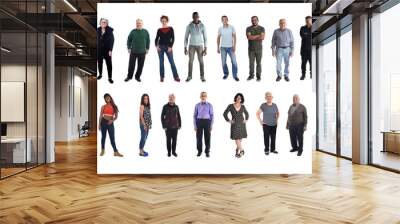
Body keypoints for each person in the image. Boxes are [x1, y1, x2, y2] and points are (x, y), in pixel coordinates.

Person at [223, 93, 249, 158]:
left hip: (242, 124)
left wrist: (246, 119)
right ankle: (242, 150)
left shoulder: (243, 106)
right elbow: (225, 113)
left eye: (240, 98)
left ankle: (237, 150)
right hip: (234, 124)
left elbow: (247, 114)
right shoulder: (230, 106)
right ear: (235, 98)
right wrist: (229, 120)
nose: (238, 99)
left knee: (240, 138)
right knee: (236, 138)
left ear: (241, 99)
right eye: (237, 97)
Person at [155, 15, 180, 82]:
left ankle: (176, 76)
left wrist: (170, 47)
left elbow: (173, 38)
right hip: (160, 47)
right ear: (161, 21)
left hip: (168, 47)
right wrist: (156, 46)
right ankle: (162, 77)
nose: (164, 22)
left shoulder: (171, 28)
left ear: (167, 21)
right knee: (161, 62)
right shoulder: (159, 30)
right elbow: (156, 39)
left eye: (165, 21)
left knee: (172, 62)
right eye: (162, 21)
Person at [184, 12, 207, 82]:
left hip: (200, 46)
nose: (195, 18)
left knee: (201, 61)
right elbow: (186, 37)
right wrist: (185, 47)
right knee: (190, 61)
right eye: (194, 16)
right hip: (191, 46)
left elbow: (205, 37)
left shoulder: (202, 26)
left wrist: (205, 48)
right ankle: (189, 76)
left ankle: (202, 76)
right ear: (192, 17)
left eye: (197, 16)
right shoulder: (189, 26)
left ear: (198, 17)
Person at [217, 15, 238, 81]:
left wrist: (234, 46)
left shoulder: (232, 27)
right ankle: (226, 74)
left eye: (226, 19)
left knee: (234, 62)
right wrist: (217, 47)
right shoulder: (220, 28)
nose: (225, 21)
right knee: (223, 62)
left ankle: (235, 75)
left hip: (231, 47)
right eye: (223, 19)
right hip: (223, 47)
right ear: (222, 21)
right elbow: (218, 38)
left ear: (227, 20)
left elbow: (234, 37)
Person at [193, 92, 214, 157]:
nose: (203, 97)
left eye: (204, 96)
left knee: (207, 137)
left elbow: (212, 115)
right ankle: (199, 151)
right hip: (199, 121)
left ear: (206, 97)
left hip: (207, 122)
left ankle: (207, 151)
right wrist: (195, 125)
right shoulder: (197, 105)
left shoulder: (209, 105)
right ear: (200, 97)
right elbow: (194, 115)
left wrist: (211, 125)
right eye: (202, 96)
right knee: (199, 138)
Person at [246, 16, 265, 82]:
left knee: (258, 63)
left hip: (259, 49)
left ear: (257, 20)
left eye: (255, 20)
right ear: (251, 21)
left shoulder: (262, 28)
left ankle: (258, 76)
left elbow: (262, 37)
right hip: (251, 49)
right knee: (251, 63)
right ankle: (251, 76)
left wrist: (253, 36)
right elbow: (249, 37)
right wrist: (258, 35)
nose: (254, 21)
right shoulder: (248, 28)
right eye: (252, 20)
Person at [97, 18, 114, 83]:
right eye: (102, 22)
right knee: (100, 63)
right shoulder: (98, 30)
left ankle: (110, 77)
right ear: (100, 23)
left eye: (105, 22)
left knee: (109, 64)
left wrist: (110, 50)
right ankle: (100, 74)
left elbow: (112, 40)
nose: (103, 23)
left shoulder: (110, 31)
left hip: (107, 50)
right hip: (100, 50)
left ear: (107, 24)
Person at [300, 16, 312, 80]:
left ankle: (311, 74)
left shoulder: (313, 28)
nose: (308, 22)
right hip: (304, 49)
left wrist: (307, 35)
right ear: (305, 21)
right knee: (303, 63)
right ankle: (303, 75)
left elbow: (307, 36)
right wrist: (308, 35)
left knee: (311, 63)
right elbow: (302, 36)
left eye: (309, 21)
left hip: (311, 50)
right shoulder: (302, 28)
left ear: (311, 21)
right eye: (307, 21)